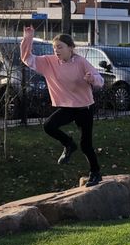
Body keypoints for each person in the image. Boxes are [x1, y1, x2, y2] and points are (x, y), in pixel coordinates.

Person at [20, 27, 104, 186]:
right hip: (67, 107)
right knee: (48, 126)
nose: (56, 50)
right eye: (54, 47)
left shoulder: (80, 62)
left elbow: (100, 80)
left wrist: (92, 78)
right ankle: (68, 144)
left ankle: (95, 173)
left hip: (84, 108)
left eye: (60, 47)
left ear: (71, 48)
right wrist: (28, 37)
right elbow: (27, 58)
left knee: (86, 145)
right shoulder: (48, 62)